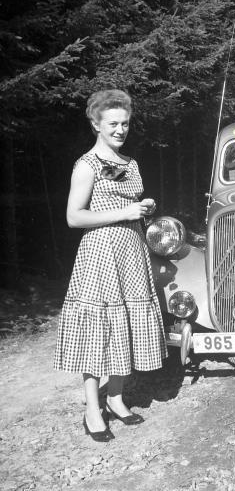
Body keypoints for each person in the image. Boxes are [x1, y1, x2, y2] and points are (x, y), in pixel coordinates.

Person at [54, 89, 167, 442]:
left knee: (126, 325)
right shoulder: (86, 165)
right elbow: (74, 217)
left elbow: (127, 204)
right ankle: (92, 410)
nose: (120, 130)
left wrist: (142, 208)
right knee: (98, 331)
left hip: (131, 251)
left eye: (125, 123)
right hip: (100, 254)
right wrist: (125, 212)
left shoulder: (130, 164)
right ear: (96, 125)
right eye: (113, 124)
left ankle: (116, 398)